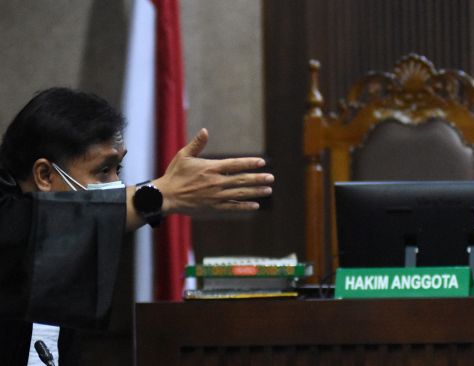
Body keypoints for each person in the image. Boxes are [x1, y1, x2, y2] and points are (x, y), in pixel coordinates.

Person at [0, 87, 274, 365]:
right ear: (45, 175)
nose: (116, 185)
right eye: (102, 170)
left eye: (117, 170)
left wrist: (163, 194)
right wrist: (163, 194)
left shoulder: (64, 249)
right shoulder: (12, 226)